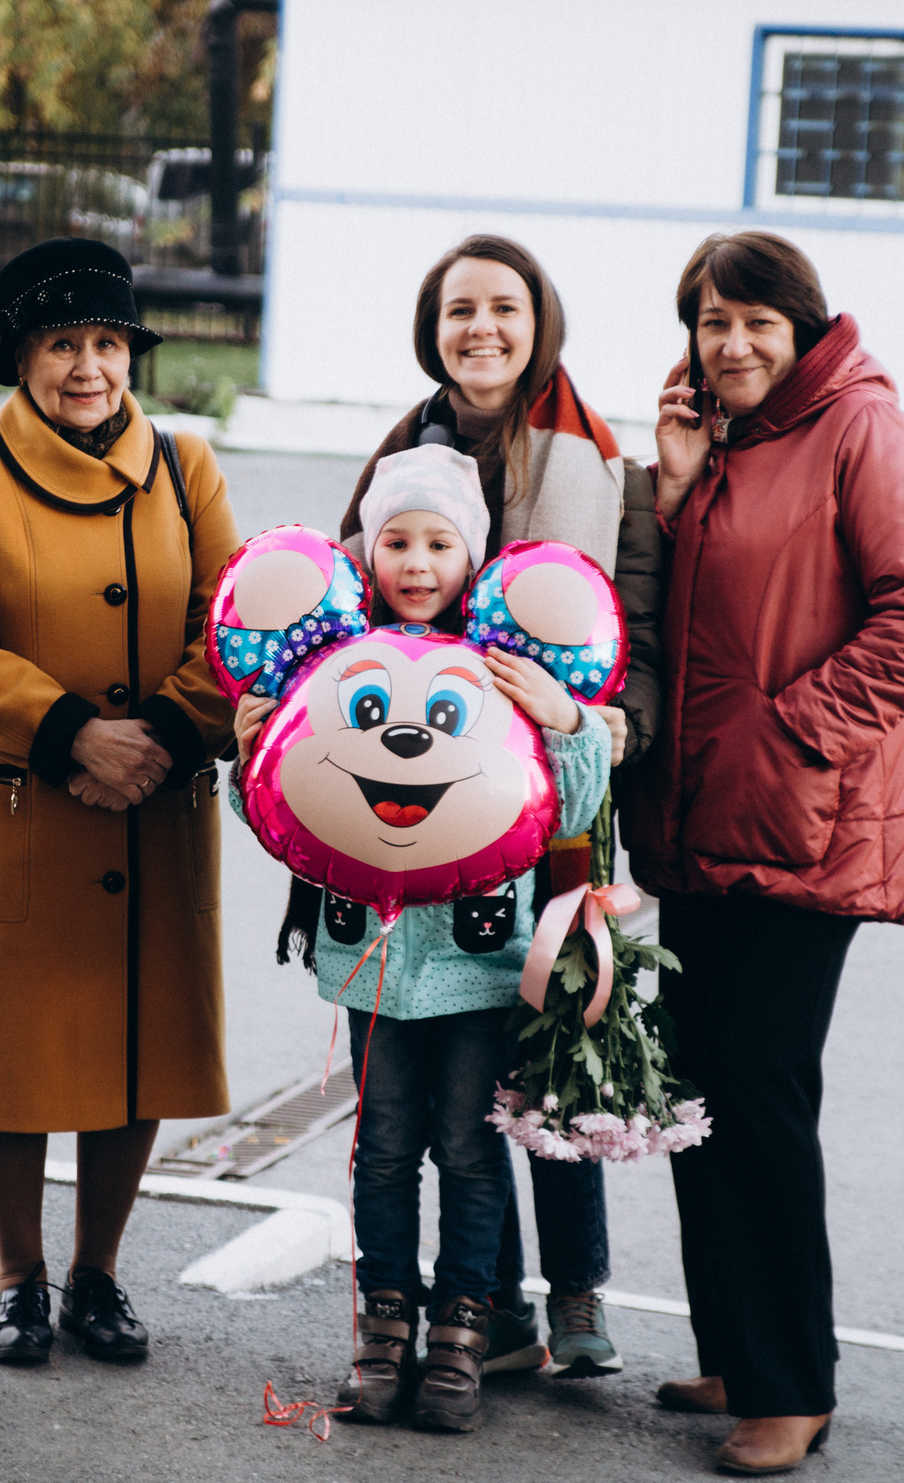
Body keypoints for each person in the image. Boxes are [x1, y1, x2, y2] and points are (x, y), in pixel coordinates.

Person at [635, 232, 904, 1476]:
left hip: (798, 824)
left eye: (754, 322)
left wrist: (799, 733)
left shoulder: (857, 428)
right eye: (712, 322)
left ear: (802, 324)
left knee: (761, 1094)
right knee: (699, 1092)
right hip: (701, 821)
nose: (731, 344)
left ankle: (792, 1385)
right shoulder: (729, 442)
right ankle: (734, 1345)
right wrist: (672, 494)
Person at [320, 232, 662, 1380]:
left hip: (558, 789)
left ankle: (572, 1292)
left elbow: (639, 617)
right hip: (428, 803)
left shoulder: (592, 452)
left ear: (538, 322)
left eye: (504, 308)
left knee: (549, 1032)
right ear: (435, 327)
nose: (482, 328)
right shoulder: (404, 451)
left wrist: (609, 723)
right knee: (469, 1087)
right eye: (459, 308)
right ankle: (493, 1308)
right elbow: (333, 623)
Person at [0, 236, 241, 1367]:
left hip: (153, 801)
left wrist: (156, 736)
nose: (88, 367)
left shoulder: (188, 468)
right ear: (20, 356)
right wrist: (70, 735)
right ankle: (18, 1275)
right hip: (24, 802)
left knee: (131, 1038)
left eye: (106, 342)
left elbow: (235, 625)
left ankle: (99, 1271)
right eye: (62, 344)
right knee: (14, 1045)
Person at [235, 445, 613, 1435]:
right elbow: (291, 815)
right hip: (372, 971)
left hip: (483, 970)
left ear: (470, 557)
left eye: (438, 541)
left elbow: (569, 806)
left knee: (469, 1150)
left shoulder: (502, 667)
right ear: (366, 555)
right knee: (381, 1150)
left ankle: (463, 1334)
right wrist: (251, 753)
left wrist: (567, 717)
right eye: (395, 539)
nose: (415, 559)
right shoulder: (331, 664)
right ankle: (382, 1335)